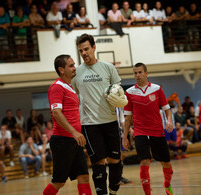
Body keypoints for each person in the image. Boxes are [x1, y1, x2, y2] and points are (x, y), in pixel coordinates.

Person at [72, 34, 128, 195]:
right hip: (89, 124)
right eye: (81, 50)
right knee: (98, 163)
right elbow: (76, 97)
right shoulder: (76, 74)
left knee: (116, 162)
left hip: (110, 121)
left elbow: (118, 92)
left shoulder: (108, 68)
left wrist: (120, 105)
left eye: (86, 49)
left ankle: (113, 191)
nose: (84, 53)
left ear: (94, 47)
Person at [43, 54, 92, 195]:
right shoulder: (56, 87)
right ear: (61, 70)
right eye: (71, 65)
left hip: (74, 140)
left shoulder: (69, 87)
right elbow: (57, 113)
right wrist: (74, 132)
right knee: (59, 181)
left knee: (83, 176)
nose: (74, 68)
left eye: (74, 64)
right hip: (63, 140)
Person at [123, 63, 174, 195]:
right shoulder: (129, 92)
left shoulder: (157, 89)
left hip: (157, 131)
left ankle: (167, 184)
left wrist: (169, 121)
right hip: (140, 132)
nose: (137, 75)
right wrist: (125, 137)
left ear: (146, 73)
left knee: (166, 164)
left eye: (140, 72)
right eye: (135, 73)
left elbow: (167, 109)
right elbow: (127, 118)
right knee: (144, 161)